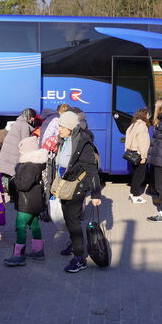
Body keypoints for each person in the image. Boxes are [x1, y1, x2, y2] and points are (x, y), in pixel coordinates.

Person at [54, 111, 102, 273]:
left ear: (69, 127)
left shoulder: (83, 143)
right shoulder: (66, 139)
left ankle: (79, 258)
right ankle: (74, 245)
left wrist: (95, 195)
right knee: (68, 218)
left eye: (61, 126)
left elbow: (92, 170)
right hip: (65, 184)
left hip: (77, 187)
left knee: (73, 221)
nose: (59, 128)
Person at [4, 137, 48, 266]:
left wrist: (12, 180)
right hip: (34, 202)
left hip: (26, 203)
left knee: (20, 227)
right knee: (34, 226)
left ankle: (19, 255)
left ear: (28, 151)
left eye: (21, 149)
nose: (19, 152)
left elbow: (24, 185)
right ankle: (38, 251)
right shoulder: (34, 164)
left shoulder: (29, 166)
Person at [0, 109, 36, 178]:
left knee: (5, 180)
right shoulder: (24, 126)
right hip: (13, 159)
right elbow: (25, 144)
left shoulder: (17, 123)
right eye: (32, 116)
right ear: (28, 116)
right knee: (11, 181)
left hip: (7, 158)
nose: (33, 119)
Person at [125, 108, 150, 204]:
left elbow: (128, 138)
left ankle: (132, 193)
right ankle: (136, 196)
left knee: (135, 175)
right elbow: (143, 142)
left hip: (132, 153)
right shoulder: (142, 126)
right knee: (140, 176)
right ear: (144, 115)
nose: (148, 117)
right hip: (139, 154)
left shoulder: (133, 125)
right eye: (147, 115)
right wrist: (144, 156)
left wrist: (127, 149)